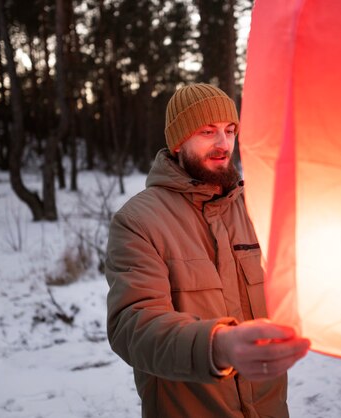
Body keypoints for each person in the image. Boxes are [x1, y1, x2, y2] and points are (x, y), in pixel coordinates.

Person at [105, 83, 311, 418]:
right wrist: (217, 346)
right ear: (178, 142)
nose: (223, 144)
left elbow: (298, 286)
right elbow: (133, 326)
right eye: (207, 131)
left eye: (230, 131)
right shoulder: (138, 221)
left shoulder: (257, 208)